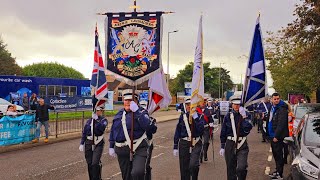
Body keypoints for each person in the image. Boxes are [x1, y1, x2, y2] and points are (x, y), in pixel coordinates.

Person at [108, 89, 157, 180]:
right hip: (122, 150)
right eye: (126, 100)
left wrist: (137, 112)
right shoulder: (119, 114)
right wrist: (111, 145)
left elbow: (151, 128)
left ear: (136, 101)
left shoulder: (142, 112)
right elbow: (114, 130)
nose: (127, 102)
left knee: (137, 172)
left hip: (138, 147)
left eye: (130, 100)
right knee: (126, 176)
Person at [219, 95, 253, 180]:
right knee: (230, 169)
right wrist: (222, 146)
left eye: (238, 104)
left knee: (241, 168)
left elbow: (247, 129)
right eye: (234, 104)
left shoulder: (247, 115)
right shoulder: (228, 116)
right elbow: (223, 131)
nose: (236, 106)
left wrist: (244, 117)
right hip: (230, 143)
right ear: (232, 105)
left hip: (242, 144)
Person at [173, 97, 205, 180]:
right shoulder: (182, 116)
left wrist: (196, 118)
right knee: (184, 168)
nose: (189, 106)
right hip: (184, 143)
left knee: (193, 165)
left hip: (196, 142)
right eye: (187, 105)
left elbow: (201, 130)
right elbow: (178, 131)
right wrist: (175, 146)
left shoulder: (200, 116)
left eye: (191, 105)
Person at [79, 106, 108, 180]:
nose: (97, 112)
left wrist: (96, 121)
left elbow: (101, 129)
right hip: (89, 142)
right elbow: (85, 132)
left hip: (98, 142)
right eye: (95, 111)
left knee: (95, 163)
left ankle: (97, 178)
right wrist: (82, 143)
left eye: (98, 111)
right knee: (89, 163)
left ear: (101, 111)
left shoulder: (103, 120)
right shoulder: (89, 121)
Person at [267, 93, 288, 179]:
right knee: (275, 155)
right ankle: (277, 171)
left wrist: (276, 136)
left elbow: (281, 124)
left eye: (277, 99)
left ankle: (280, 174)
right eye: (274, 99)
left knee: (279, 155)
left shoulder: (282, 109)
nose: (276, 100)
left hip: (277, 137)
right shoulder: (272, 107)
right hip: (272, 135)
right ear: (271, 99)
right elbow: (270, 119)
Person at [199, 98, 214, 162]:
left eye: (204, 102)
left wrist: (211, 123)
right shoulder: (196, 110)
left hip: (206, 128)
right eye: (201, 102)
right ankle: (200, 155)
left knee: (206, 142)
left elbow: (210, 118)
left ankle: (205, 153)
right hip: (198, 129)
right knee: (198, 142)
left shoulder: (207, 110)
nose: (203, 104)